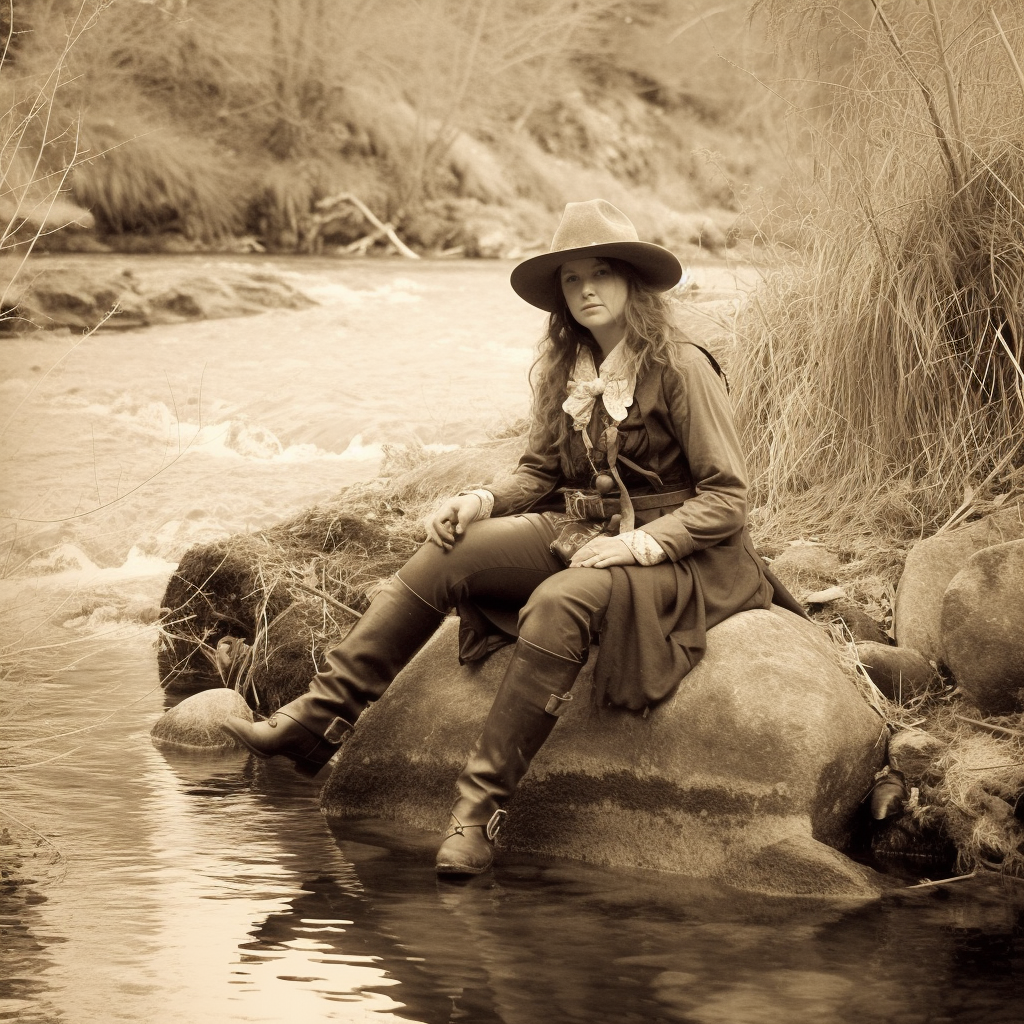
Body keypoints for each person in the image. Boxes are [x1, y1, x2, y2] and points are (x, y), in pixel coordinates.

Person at [223, 199, 777, 876]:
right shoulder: (569, 370)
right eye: (572, 280)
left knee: (558, 603)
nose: (587, 290)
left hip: (681, 553)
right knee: (452, 549)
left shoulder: (681, 367)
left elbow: (728, 500)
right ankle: (319, 717)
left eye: (601, 273)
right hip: (586, 530)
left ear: (633, 282)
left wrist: (637, 546)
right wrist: (480, 498)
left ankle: (477, 815)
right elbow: (541, 471)